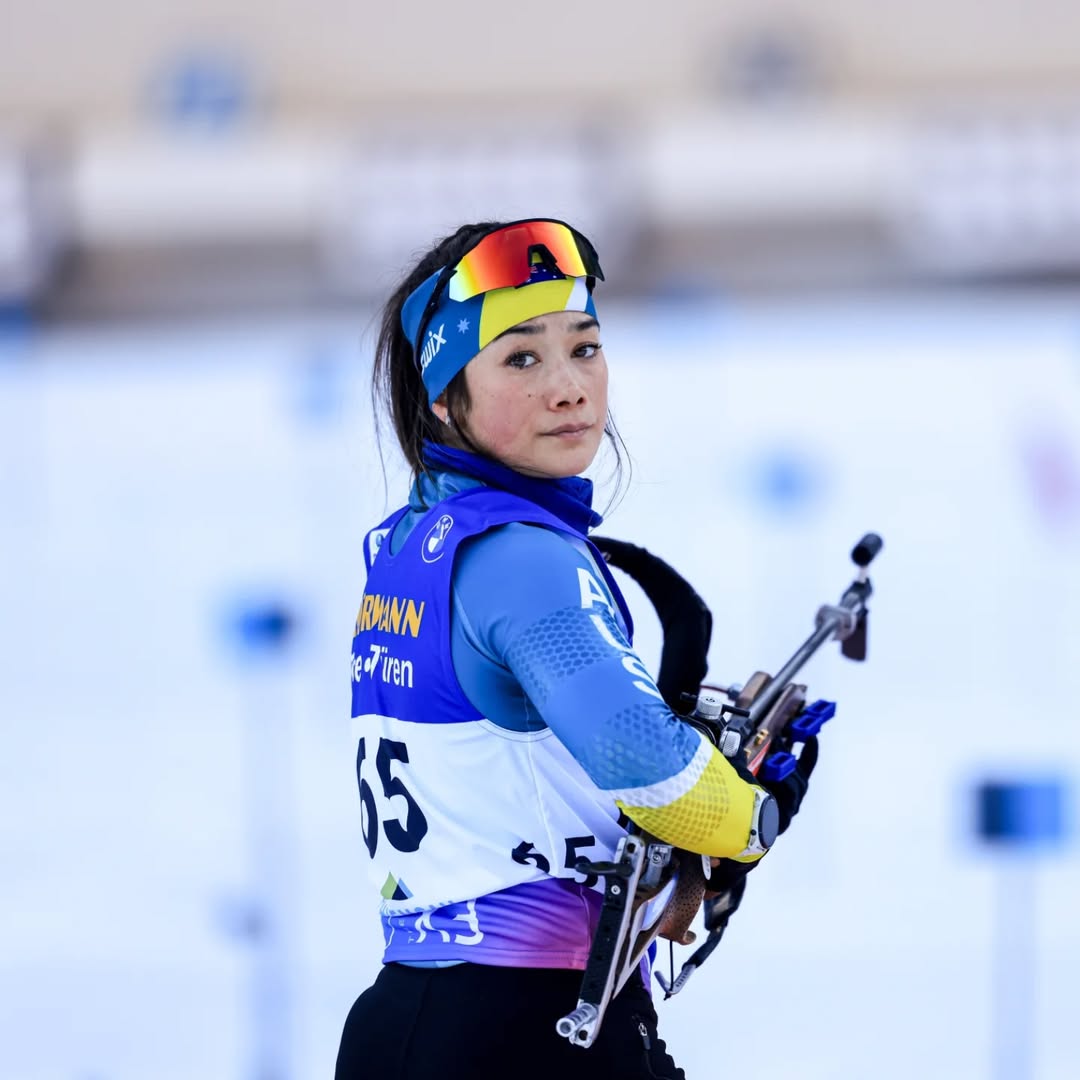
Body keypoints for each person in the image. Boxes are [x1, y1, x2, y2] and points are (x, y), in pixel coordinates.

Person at [336, 219, 815, 1079]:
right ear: (445, 396)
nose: (568, 387)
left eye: (585, 348)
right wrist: (752, 815)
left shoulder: (412, 544)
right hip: (530, 1028)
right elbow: (645, 763)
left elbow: (517, 798)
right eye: (521, 359)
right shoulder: (522, 556)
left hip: (409, 1015)